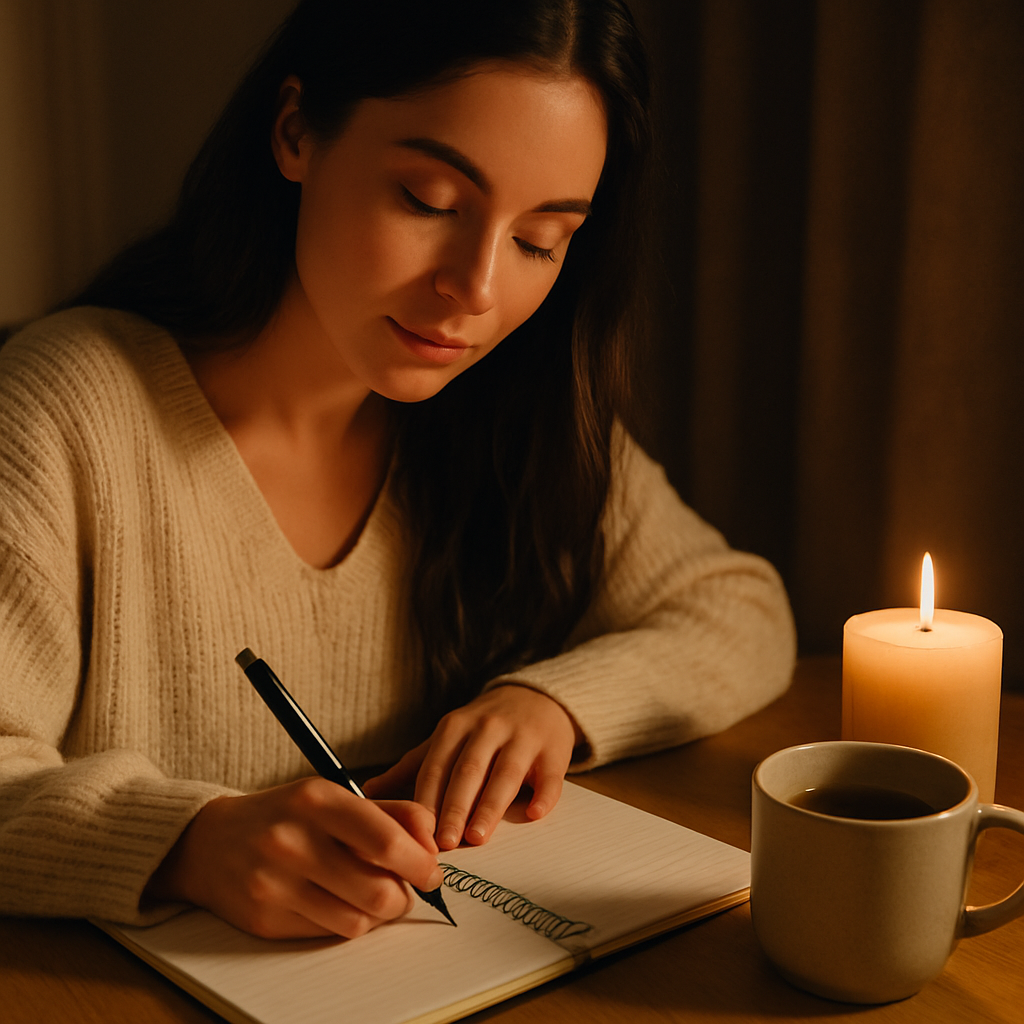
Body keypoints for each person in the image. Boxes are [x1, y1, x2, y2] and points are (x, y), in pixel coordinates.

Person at [0, 0, 795, 941]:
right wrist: (189, 841)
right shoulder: (63, 412)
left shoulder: (507, 415)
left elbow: (740, 607)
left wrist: (552, 704)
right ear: (296, 131)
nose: (477, 289)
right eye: (430, 201)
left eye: (541, 239)